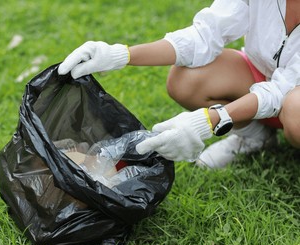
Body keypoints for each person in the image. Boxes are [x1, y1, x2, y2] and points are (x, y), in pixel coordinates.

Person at [58, 0, 300, 168]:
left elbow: (282, 91)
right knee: (186, 80)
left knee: (296, 109)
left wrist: (209, 121)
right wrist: (121, 55)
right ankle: (255, 138)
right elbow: (204, 35)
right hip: (262, 76)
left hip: (293, 101)